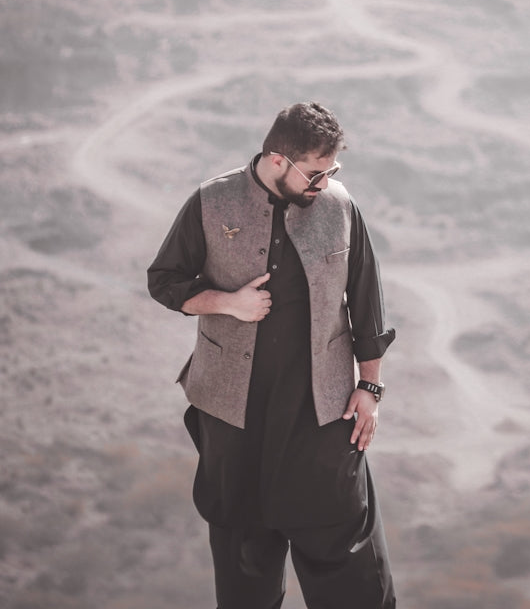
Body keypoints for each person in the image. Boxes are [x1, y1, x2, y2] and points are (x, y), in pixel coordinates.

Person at [147, 101, 397, 609]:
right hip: (234, 418)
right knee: (246, 568)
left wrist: (369, 388)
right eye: (316, 172)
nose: (324, 184)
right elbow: (164, 280)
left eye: (333, 171)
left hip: (322, 415)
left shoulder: (341, 208)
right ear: (278, 159)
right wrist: (227, 303)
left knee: (352, 570)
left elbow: (367, 304)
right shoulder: (211, 202)